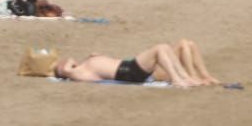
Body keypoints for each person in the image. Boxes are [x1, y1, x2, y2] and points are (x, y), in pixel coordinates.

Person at [52, 40, 218, 88]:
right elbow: (66, 67)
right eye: (60, 66)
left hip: (128, 67)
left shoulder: (84, 65)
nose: (62, 62)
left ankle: (188, 77)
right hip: (127, 72)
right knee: (160, 48)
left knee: (164, 47)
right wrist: (61, 68)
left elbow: (69, 62)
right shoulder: (78, 73)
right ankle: (178, 79)